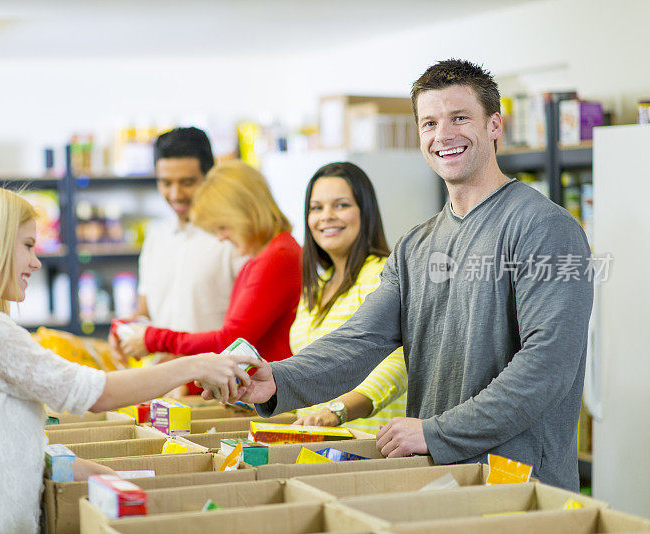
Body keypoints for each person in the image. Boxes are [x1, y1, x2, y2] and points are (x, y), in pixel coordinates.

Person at [226, 59, 593, 491]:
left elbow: (545, 369)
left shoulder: (545, 228)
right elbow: (359, 339)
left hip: (521, 487)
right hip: (439, 479)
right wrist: (278, 380)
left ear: (495, 124)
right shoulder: (415, 246)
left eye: (460, 118)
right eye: (429, 123)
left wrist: (435, 432)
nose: (443, 135)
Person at [0, 182, 256, 533]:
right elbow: (97, 393)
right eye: (27, 246)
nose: (35, 260)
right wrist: (197, 363)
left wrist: (86, 470)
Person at [119, 160, 301, 391]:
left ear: (246, 213)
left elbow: (231, 341)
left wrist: (154, 339)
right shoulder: (264, 255)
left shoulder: (279, 255)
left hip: (274, 397)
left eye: (223, 227)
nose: (222, 238)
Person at [290, 162, 407, 434]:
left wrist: (337, 411)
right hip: (315, 444)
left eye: (341, 205)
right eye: (316, 208)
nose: (326, 216)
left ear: (365, 212)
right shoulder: (317, 285)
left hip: (369, 445)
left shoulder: (381, 274)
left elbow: (401, 360)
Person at [122, 126, 245, 336]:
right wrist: (127, 330)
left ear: (210, 177)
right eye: (166, 182)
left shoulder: (234, 239)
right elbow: (145, 312)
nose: (175, 194)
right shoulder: (156, 238)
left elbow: (245, 327)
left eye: (187, 183)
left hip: (216, 368)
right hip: (161, 367)